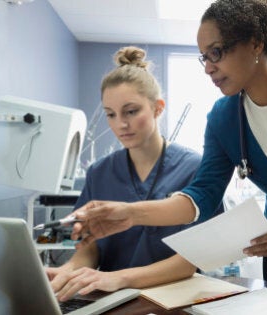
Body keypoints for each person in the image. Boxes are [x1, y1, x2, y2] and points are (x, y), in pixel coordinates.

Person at [71, 1, 267, 313]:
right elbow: (202, 195)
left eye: (216, 52)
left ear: (255, 43)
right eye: (204, 57)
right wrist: (131, 213)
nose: (208, 67)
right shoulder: (223, 117)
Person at [46, 46, 218, 302]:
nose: (120, 124)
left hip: (174, 299)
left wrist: (120, 278)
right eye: (111, 115)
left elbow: (189, 261)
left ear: (158, 108)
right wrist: (68, 271)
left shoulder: (194, 168)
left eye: (131, 111)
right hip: (110, 299)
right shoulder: (99, 173)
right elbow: (90, 246)